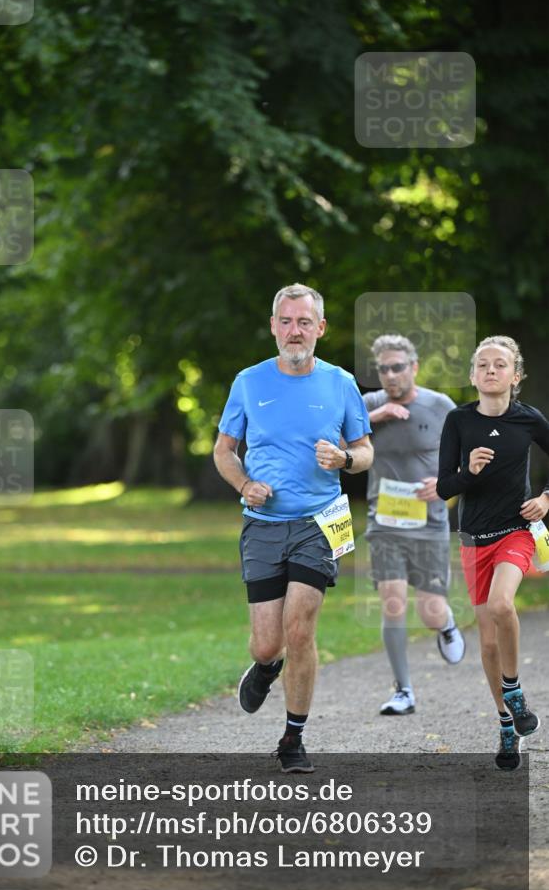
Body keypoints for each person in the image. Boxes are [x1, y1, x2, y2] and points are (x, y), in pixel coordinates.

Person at [213, 283, 373, 773]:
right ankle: (265, 666)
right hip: (262, 524)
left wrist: (345, 458)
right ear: (273, 327)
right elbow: (223, 452)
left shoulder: (341, 382)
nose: (295, 331)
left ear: (320, 328)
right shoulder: (248, 382)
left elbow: (365, 452)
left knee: (300, 628)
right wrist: (244, 483)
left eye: (304, 322)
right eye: (286, 321)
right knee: (268, 642)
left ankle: (293, 739)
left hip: (321, 521)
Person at [437, 335, 549, 771]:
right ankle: (506, 724)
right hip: (473, 539)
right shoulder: (458, 421)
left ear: (515, 376)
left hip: (516, 532)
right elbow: (444, 486)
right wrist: (469, 471)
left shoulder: (528, 420)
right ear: (472, 376)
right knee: (487, 645)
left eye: (500, 365)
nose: (490, 371)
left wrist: (546, 498)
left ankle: (515, 691)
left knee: (503, 605)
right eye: (482, 365)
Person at [363, 335, 466, 716]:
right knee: (392, 602)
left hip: (429, 522)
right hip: (383, 521)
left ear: (414, 367)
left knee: (430, 611)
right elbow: (333, 440)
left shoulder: (440, 406)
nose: (390, 375)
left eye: (398, 367)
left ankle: (446, 625)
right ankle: (403, 690)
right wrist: (376, 417)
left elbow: (469, 462)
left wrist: (444, 486)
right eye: (383, 369)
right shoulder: (367, 405)